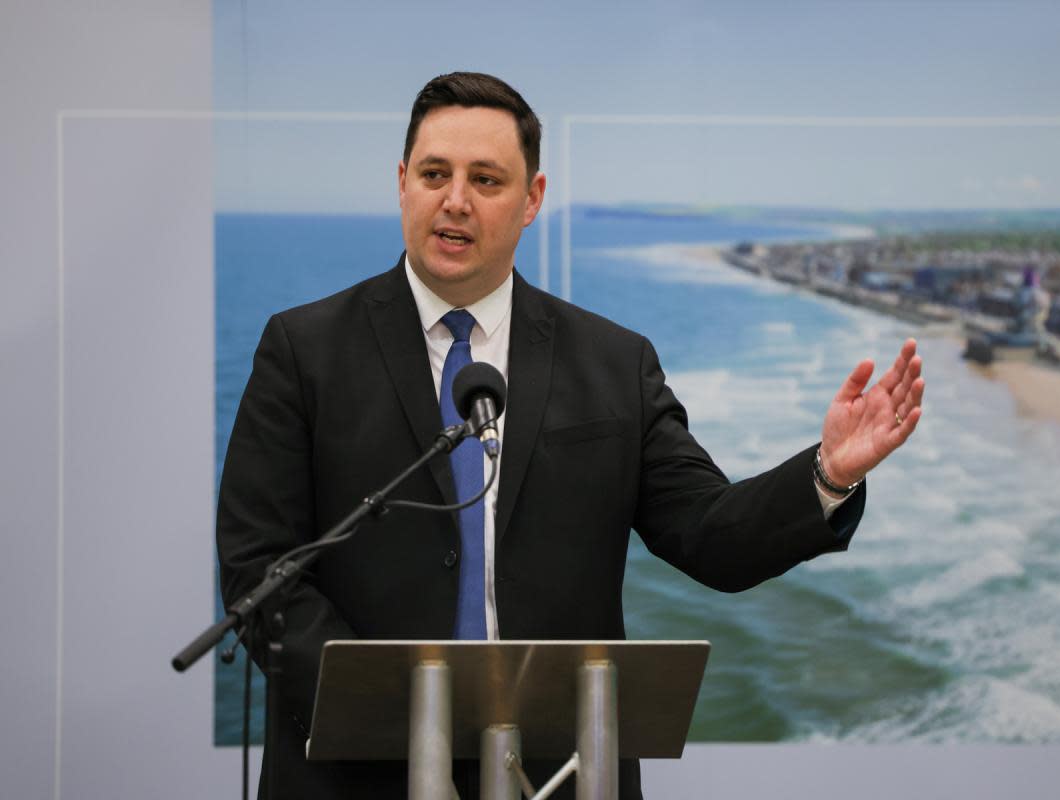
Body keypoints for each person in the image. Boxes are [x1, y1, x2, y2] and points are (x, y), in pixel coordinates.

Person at [217, 71, 924, 799]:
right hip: (350, 776)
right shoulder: (304, 351)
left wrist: (828, 475)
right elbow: (257, 564)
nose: (454, 199)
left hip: (563, 772)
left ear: (532, 201)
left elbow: (711, 535)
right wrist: (388, 702)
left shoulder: (615, 363)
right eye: (435, 173)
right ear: (402, 183)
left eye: (486, 179)